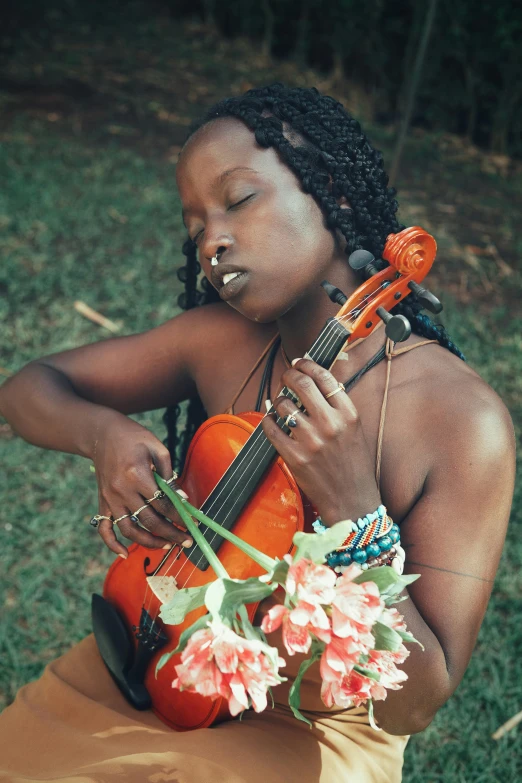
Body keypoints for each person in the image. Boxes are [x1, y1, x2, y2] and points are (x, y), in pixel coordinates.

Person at [0, 83, 515, 783]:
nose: (212, 240)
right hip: (167, 654)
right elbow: (29, 388)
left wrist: (353, 504)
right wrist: (102, 436)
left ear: (328, 188)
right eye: (195, 228)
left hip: (313, 727)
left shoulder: (462, 421)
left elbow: (416, 701)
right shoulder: (221, 341)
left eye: (238, 201)